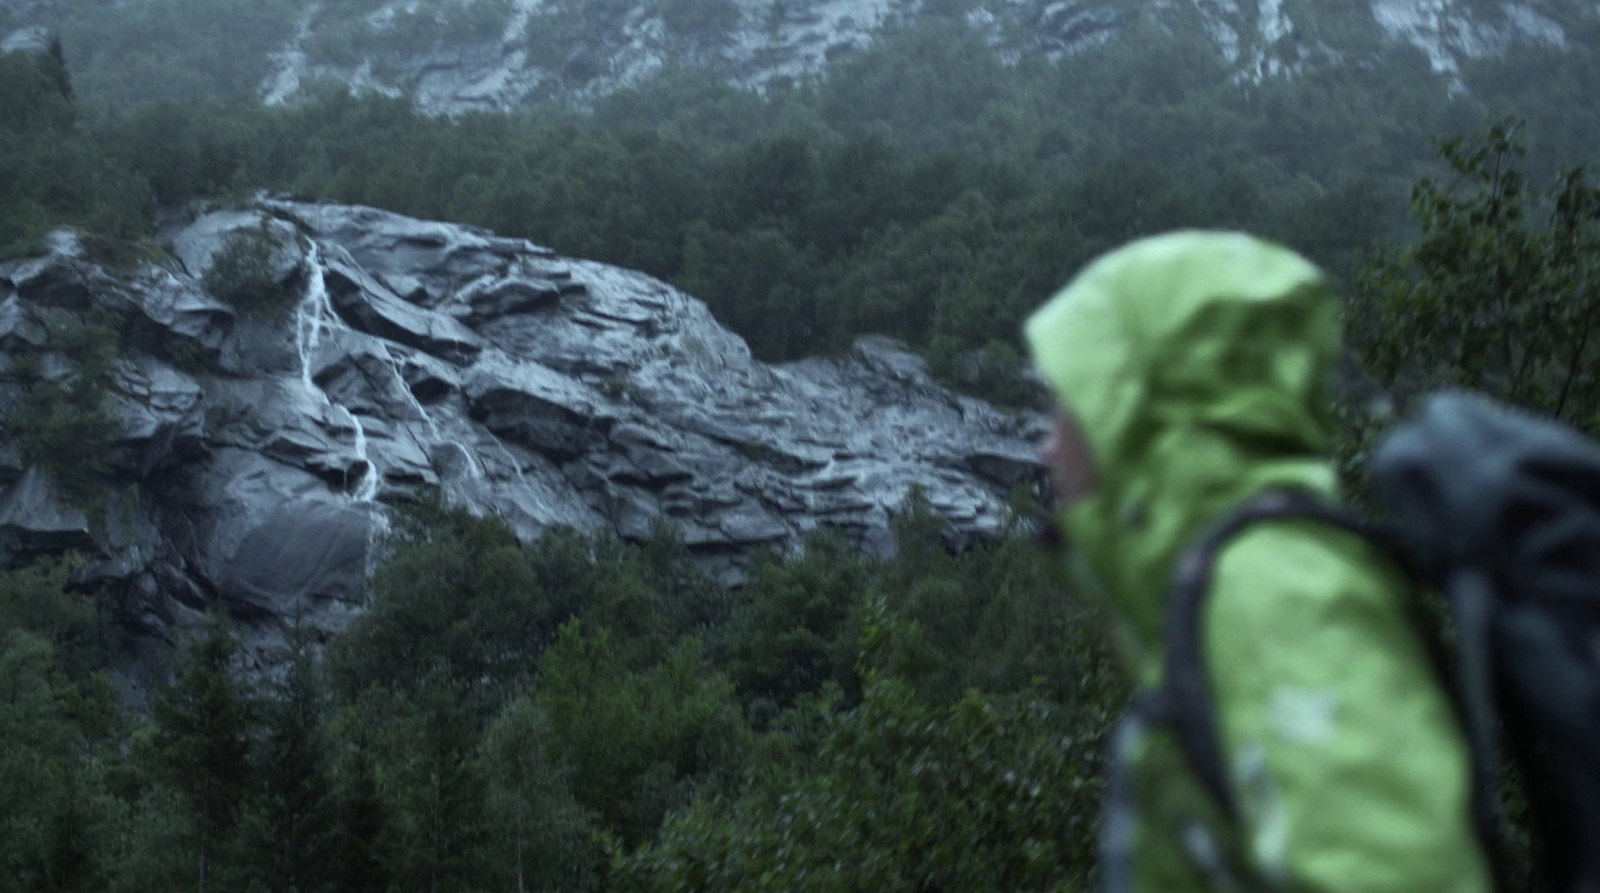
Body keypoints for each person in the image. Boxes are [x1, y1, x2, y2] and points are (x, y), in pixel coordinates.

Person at [1023, 232, 1494, 892]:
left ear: (1136, 411)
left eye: (1065, 403)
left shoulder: (1276, 592)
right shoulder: (1231, 579)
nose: (1045, 443)